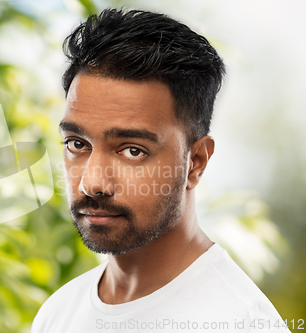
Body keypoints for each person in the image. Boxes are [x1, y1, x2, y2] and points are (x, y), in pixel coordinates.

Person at [31, 8, 290, 333]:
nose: (93, 182)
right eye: (77, 144)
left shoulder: (243, 324)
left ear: (195, 162)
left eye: (132, 150)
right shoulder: (57, 314)